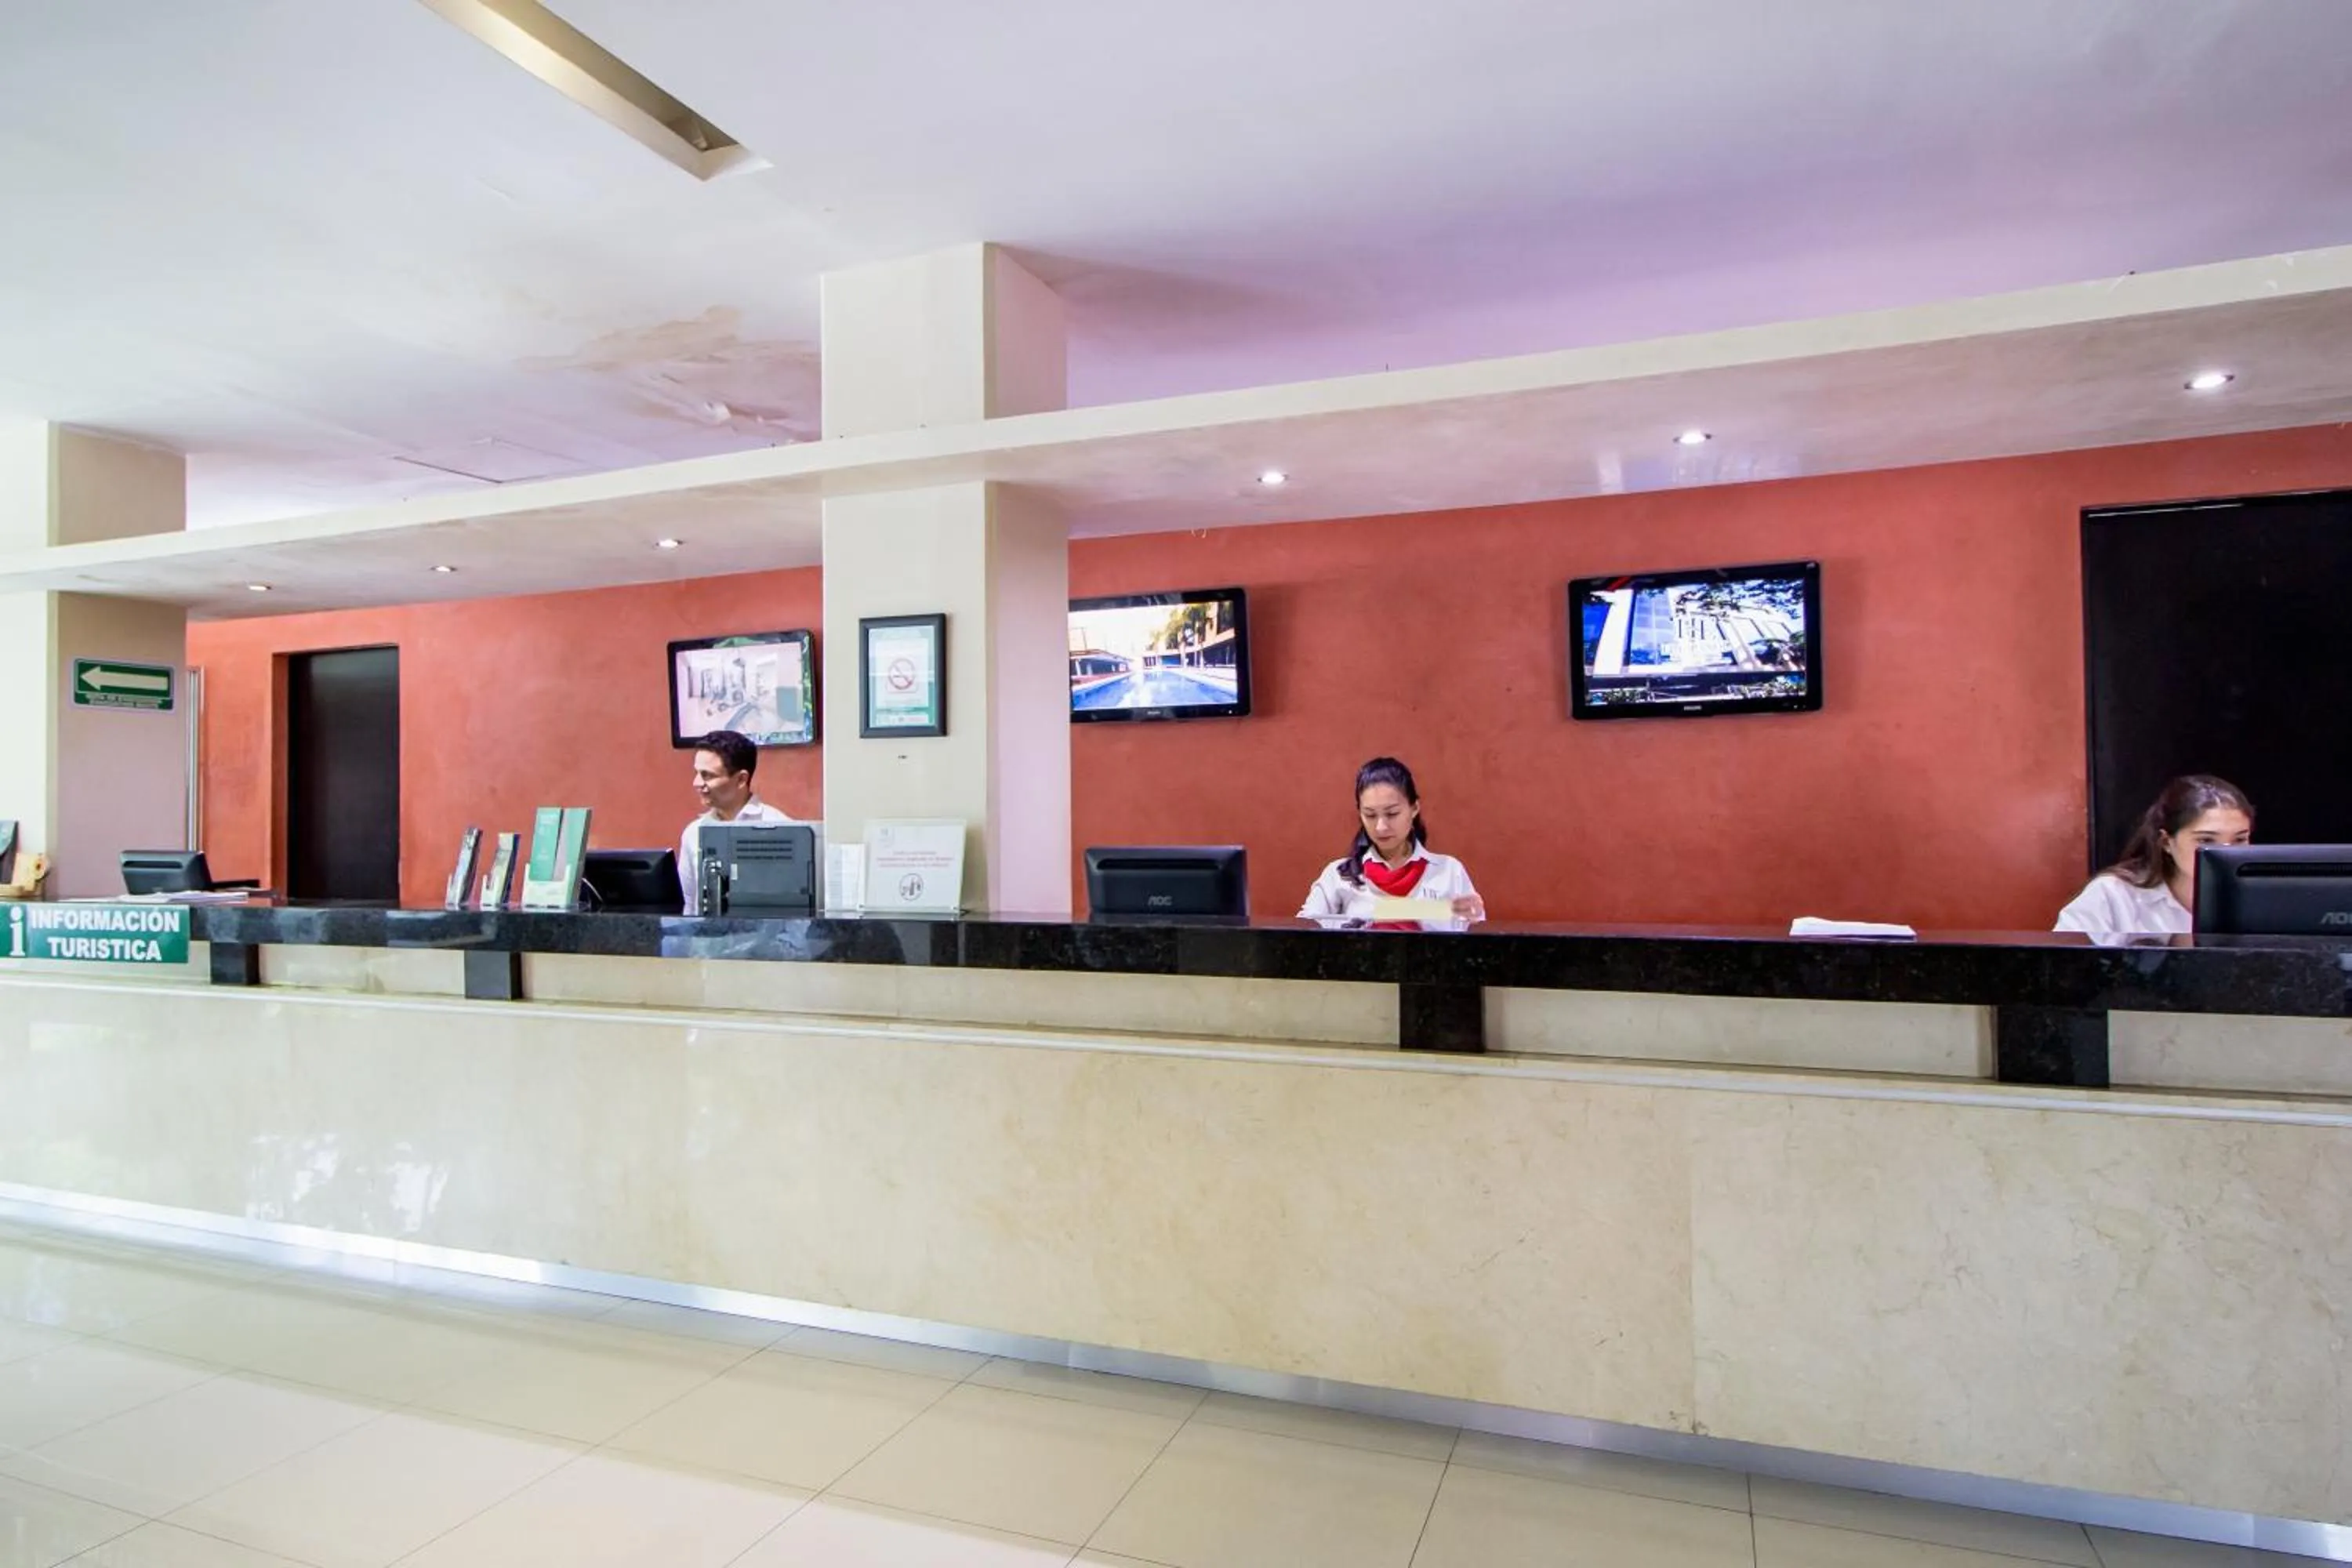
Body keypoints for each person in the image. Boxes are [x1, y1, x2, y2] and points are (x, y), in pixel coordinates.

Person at [2055, 774, 2254, 937]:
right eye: (2206, 840)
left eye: (2239, 839)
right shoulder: (2113, 895)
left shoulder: (2257, 898)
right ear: (2166, 842)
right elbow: (2062, 965)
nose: (2226, 853)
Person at [1299, 757, 1486, 922]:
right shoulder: (1339, 876)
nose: (1381, 827)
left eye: (1392, 813)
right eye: (1370, 815)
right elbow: (1301, 933)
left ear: (1414, 808)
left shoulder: (1449, 873)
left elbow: (1476, 939)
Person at [679, 730, 801, 905]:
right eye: (697, 773)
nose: (697, 783)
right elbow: (688, 903)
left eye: (708, 775)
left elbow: (795, 903)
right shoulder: (693, 833)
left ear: (741, 780)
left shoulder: (781, 829)